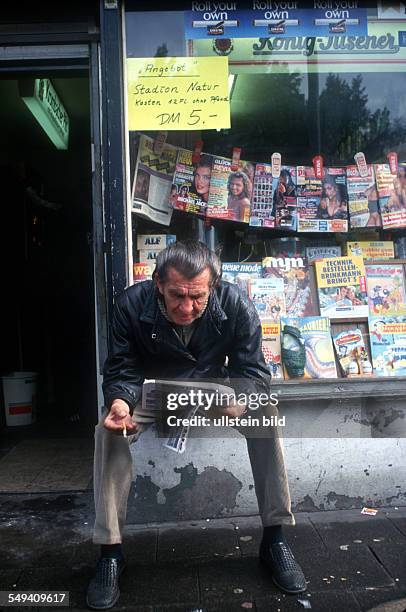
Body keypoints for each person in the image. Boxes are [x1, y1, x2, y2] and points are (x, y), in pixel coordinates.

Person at [86, 240, 306, 610]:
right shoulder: (130, 303)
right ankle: (110, 553)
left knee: (266, 415)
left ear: (213, 287)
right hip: (152, 394)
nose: (186, 307)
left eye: (197, 298)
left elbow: (252, 371)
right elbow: (121, 367)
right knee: (108, 433)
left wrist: (239, 399)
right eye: (176, 296)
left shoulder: (235, 303)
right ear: (158, 283)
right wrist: (120, 403)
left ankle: (275, 539)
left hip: (212, 392)